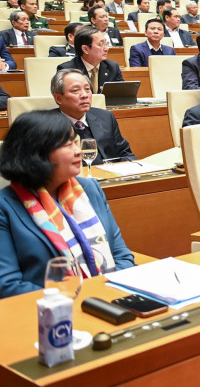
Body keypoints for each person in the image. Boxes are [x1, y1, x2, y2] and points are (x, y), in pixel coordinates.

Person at [0, 110, 135, 298]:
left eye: (75, 142)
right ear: (37, 154)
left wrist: (104, 293)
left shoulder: (90, 189)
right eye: (67, 144)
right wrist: (76, 296)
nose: (78, 150)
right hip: (49, 312)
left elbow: (121, 254)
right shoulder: (5, 207)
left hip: (110, 298)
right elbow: (7, 285)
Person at [52, 69, 136, 164]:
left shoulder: (105, 117)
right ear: (58, 98)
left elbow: (125, 154)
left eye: (87, 89)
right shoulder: (46, 126)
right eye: (75, 90)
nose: (84, 95)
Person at [57, 27, 124, 93]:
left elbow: (123, 94)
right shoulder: (67, 71)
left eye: (106, 43)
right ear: (85, 49)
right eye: (101, 44)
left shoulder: (113, 67)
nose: (106, 48)